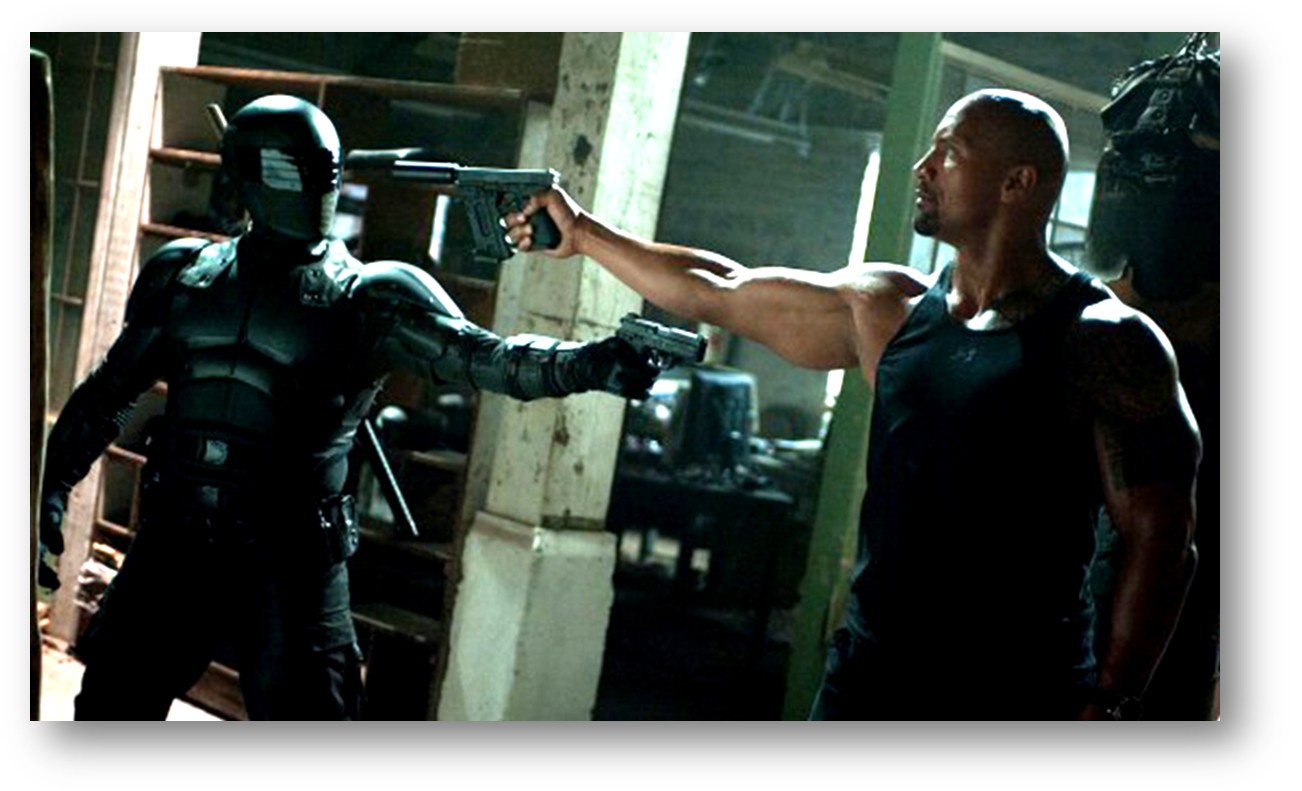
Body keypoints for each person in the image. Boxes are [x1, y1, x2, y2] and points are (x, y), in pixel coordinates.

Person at [505, 88, 1202, 720]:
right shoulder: (890, 310)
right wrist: (584, 233)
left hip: (1015, 694)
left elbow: (1162, 539)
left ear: (1017, 183)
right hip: (870, 676)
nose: (923, 167)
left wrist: (1112, 698)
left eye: (950, 153)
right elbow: (721, 288)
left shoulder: (1105, 340)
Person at [37, 94, 662, 721]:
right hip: (173, 546)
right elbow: (105, 397)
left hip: (291, 565)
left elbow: (491, 360)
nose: (316, 186)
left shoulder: (371, 295)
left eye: (322, 170)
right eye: (301, 169)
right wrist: (49, 489)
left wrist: (594, 362)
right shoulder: (185, 274)